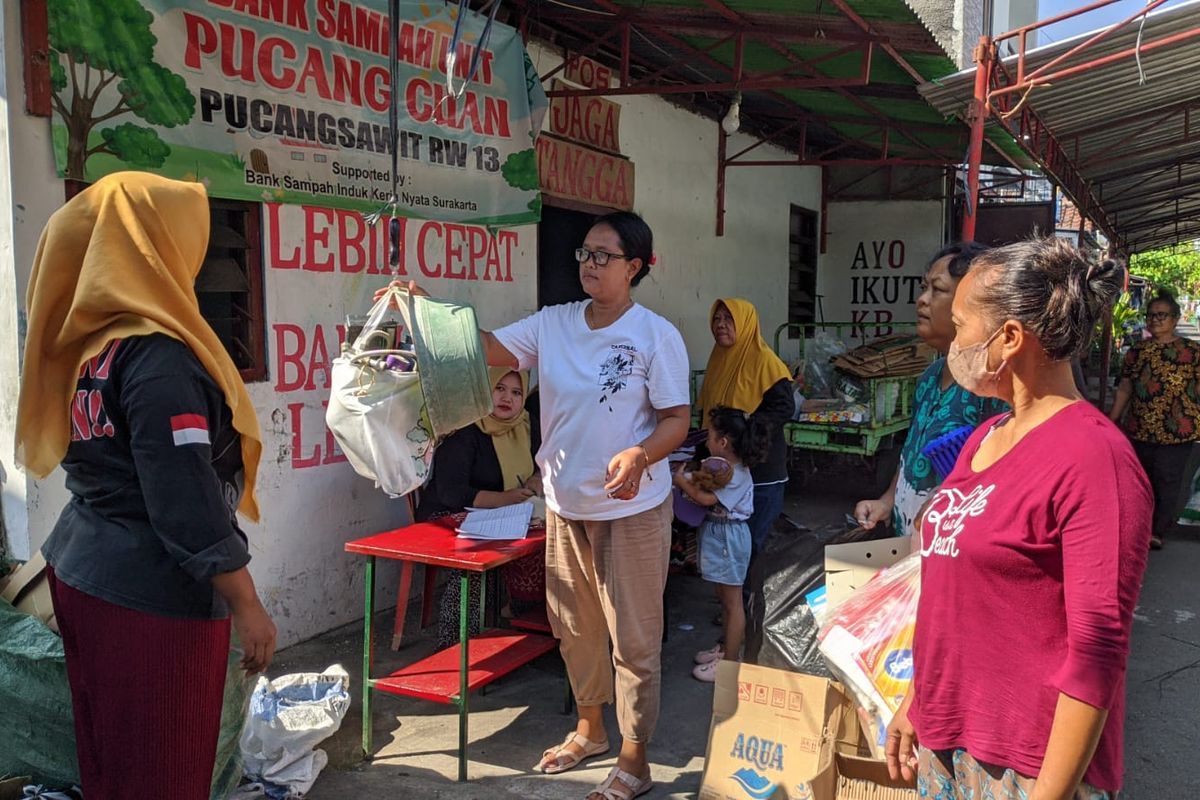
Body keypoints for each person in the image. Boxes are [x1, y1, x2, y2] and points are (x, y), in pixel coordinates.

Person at [377, 211, 689, 800]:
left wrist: (641, 455)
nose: (590, 264)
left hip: (632, 510)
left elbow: (676, 420)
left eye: (604, 255)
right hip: (567, 506)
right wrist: (424, 311)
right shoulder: (555, 323)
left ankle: (634, 758)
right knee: (574, 626)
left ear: (636, 267)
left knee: (634, 638)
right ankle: (591, 730)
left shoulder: (656, 336)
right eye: (585, 254)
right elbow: (490, 348)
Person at [14, 172, 276, 800]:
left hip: (84, 570)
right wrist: (246, 602)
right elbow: (183, 504)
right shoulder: (159, 358)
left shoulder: (92, 346)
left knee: (110, 761)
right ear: (158, 244)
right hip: (151, 598)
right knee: (162, 773)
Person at [887, 238, 1151, 800]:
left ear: (1008, 338)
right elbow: (950, 596)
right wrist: (918, 700)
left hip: (1025, 766)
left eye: (961, 326)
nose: (953, 341)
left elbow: (1098, 649)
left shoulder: (1094, 458)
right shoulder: (985, 436)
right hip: (948, 739)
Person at [855, 242, 1005, 538]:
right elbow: (913, 452)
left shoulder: (993, 388)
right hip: (909, 543)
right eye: (924, 288)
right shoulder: (929, 377)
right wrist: (887, 501)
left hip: (952, 548)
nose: (922, 301)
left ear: (972, 303)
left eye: (937, 290)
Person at [415, 367, 543, 648]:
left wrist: (535, 479)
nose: (507, 398)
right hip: (447, 515)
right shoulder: (466, 430)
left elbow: (541, 466)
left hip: (501, 514)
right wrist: (503, 499)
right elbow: (451, 492)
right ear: (485, 391)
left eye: (516, 392)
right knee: (473, 563)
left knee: (549, 544)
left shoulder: (527, 425)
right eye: (499, 388)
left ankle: (520, 625)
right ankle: (455, 644)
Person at [695, 298, 793, 655]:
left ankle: (746, 633)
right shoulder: (719, 360)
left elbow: (784, 407)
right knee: (734, 554)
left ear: (746, 323)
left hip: (761, 473)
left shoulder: (765, 361)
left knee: (748, 551)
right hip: (729, 470)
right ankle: (737, 618)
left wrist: (748, 432)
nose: (722, 324)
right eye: (717, 318)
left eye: (729, 319)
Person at [674, 407, 767, 682]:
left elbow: (706, 500)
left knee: (732, 602)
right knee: (724, 599)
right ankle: (726, 648)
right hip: (719, 534)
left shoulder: (737, 474)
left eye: (711, 436)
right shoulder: (725, 469)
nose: (706, 442)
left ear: (723, 442)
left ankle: (730, 663)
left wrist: (681, 481)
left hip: (729, 537)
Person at [1108, 291, 1200, 550]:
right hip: (1140, 428)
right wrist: (1113, 419)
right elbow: (1125, 387)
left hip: (1178, 430)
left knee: (1167, 479)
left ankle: (1157, 530)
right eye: (1151, 315)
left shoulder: (1192, 352)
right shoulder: (1137, 351)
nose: (1155, 320)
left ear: (1175, 318)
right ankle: (1138, 526)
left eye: (1162, 315)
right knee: (1140, 480)